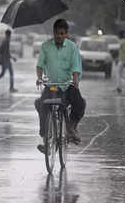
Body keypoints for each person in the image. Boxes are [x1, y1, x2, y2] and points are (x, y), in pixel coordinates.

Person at [34, 18, 86, 152]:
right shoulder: (46, 46)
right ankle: (46, 138)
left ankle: (71, 127)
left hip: (67, 85)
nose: (59, 36)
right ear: (53, 33)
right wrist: (39, 78)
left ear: (66, 34)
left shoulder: (72, 47)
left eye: (62, 33)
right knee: (40, 104)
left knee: (80, 103)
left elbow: (75, 66)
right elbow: (40, 65)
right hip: (51, 86)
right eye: (57, 33)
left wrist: (75, 81)